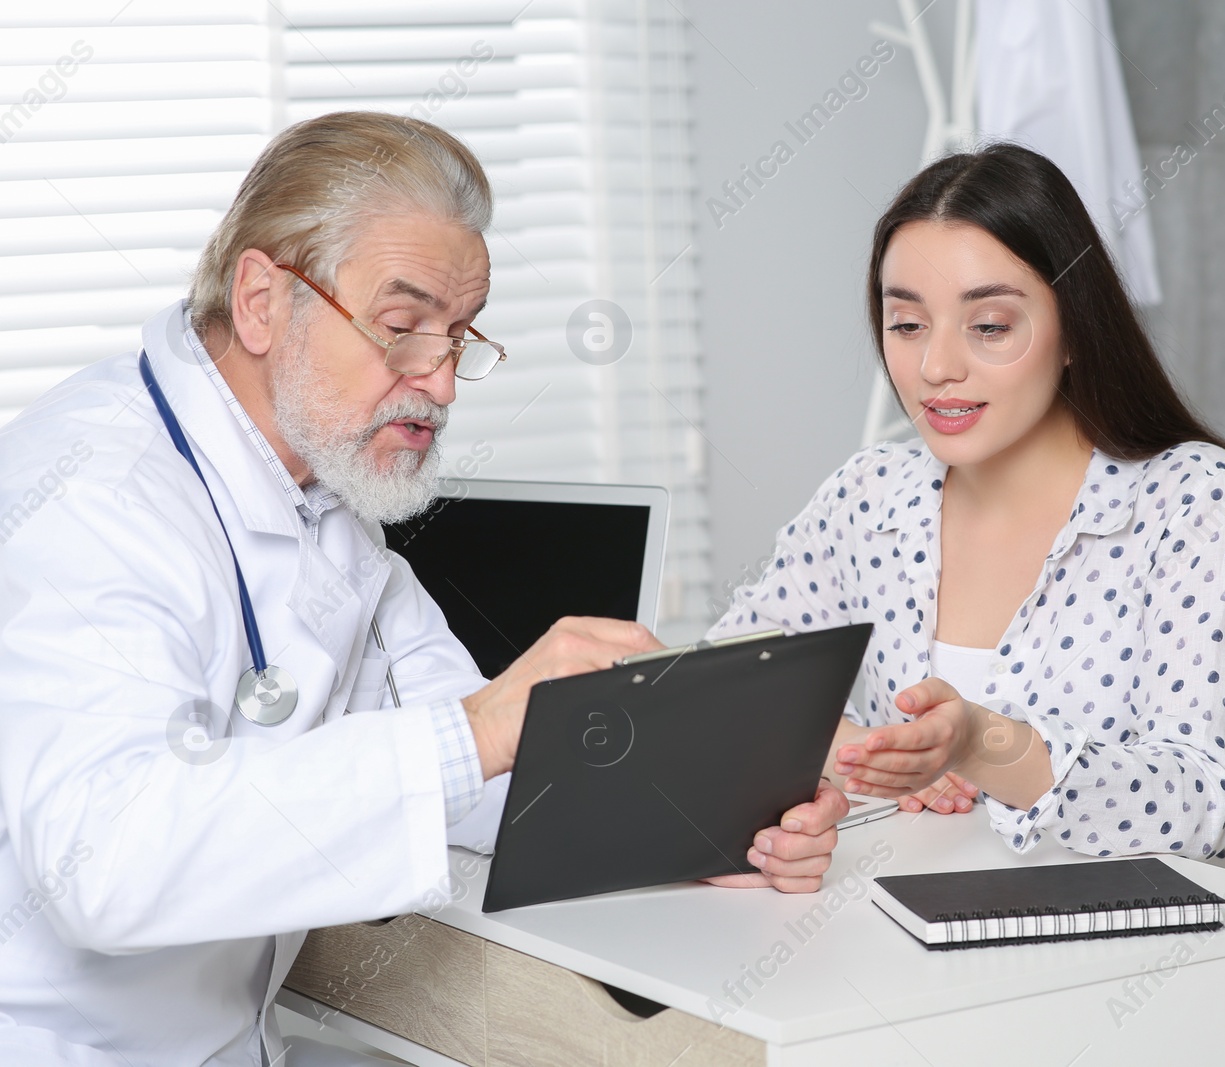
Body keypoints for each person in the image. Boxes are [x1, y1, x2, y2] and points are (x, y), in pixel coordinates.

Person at [0, 112, 846, 1067]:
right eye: (403, 330)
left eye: (457, 338)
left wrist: (704, 827)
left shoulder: (327, 501)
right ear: (261, 300)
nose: (440, 385)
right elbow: (104, 864)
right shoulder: (89, 493)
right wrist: (481, 727)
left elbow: (474, 777)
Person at [705, 142, 1225, 893]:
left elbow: (1200, 802)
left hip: (1191, 949)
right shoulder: (870, 495)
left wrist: (978, 741)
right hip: (926, 927)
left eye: (989, 326)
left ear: (1072, 330)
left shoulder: (1192, 500)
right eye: (906, 324)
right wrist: (865, 754)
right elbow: (721, 692)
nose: (937, 366)